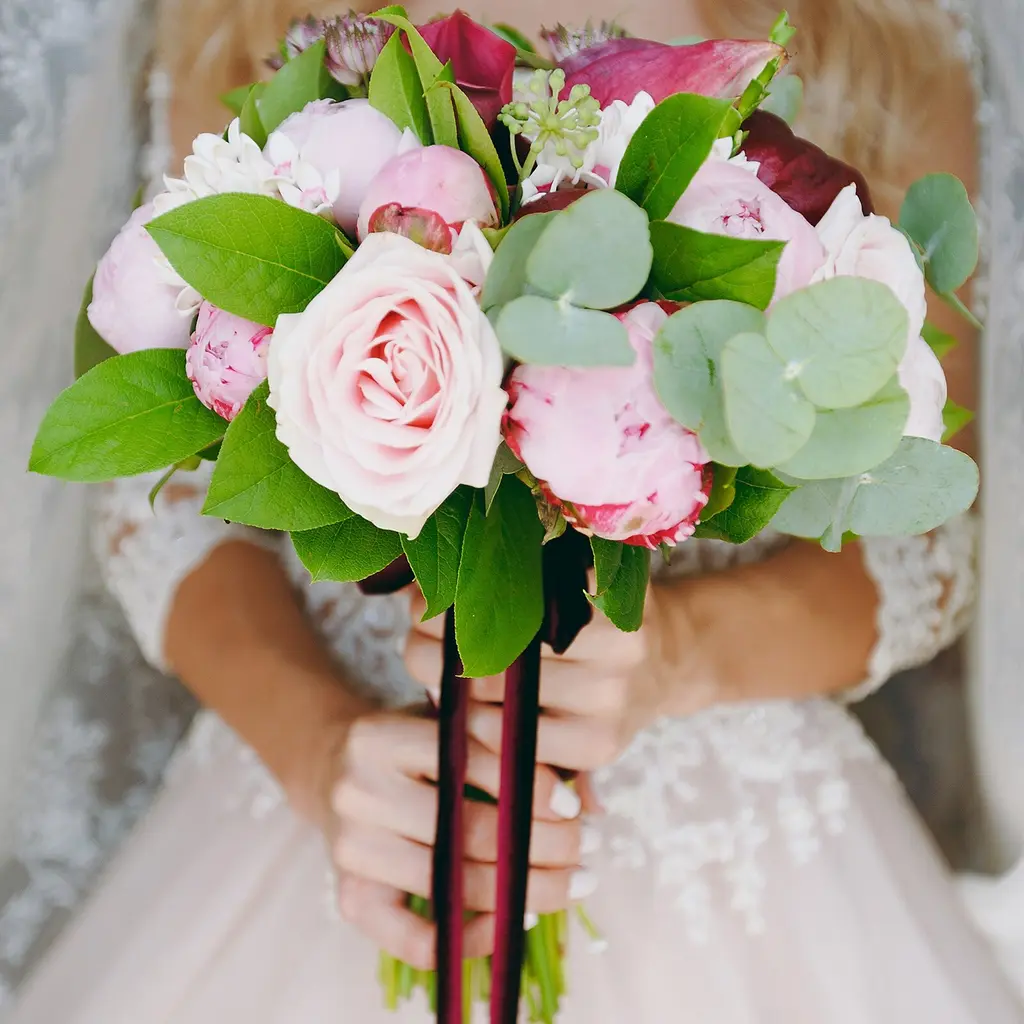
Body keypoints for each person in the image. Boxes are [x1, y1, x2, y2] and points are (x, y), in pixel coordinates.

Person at [9, 0, 1023, 1020]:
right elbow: (173, 502)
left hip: (736, 833)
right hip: (341, 787)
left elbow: (919, 535)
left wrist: (674, 651)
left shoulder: (875, 37)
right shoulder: (246, 16)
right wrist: (319, 748)